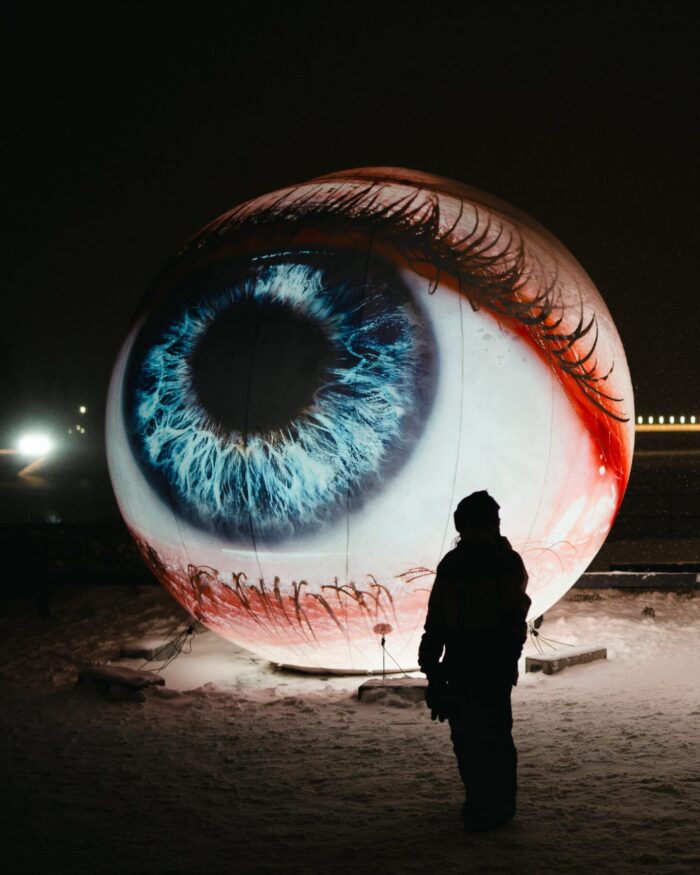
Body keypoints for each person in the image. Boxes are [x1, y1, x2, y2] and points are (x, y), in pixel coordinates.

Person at [418, 490, 530, 832]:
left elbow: (514, 617)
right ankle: (484, 802)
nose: (489, 529)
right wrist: (431, 658)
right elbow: (438, 616)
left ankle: (494, 806)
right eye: (486, 522)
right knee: (470, 736)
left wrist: (433, 657)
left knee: (487, 735)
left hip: (483, 662)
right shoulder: (465, 565)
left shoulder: (497, 564)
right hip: (470, 662)